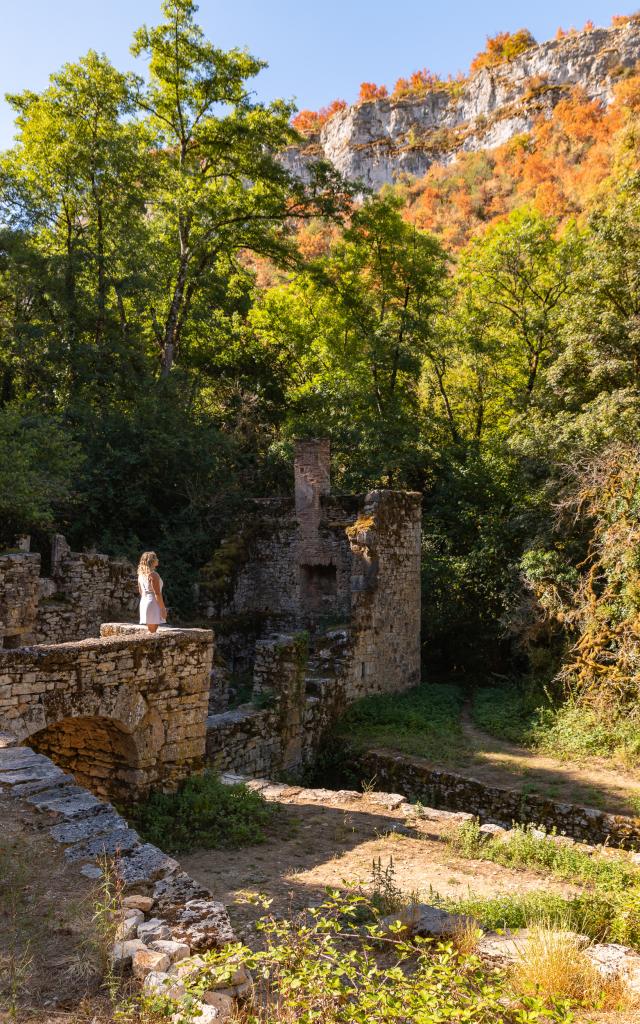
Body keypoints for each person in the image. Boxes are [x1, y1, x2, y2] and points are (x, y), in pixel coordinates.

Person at [138, 551, 167, 633]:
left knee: (151, 631)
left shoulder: (141, 575)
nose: (158, 559)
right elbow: (157, 593)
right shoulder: (153, 575)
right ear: (152, 561)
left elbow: (141, 591)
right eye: (156, 558)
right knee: (152, 632)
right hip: (153, 602)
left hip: (144, 601)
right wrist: (162, 608)